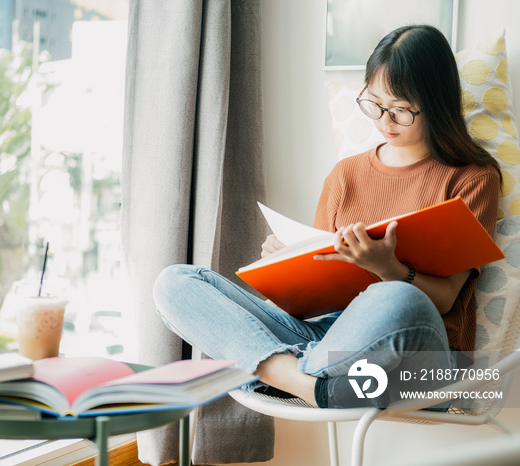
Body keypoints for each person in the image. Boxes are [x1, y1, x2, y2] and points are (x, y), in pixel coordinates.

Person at [152, 24, 501, 408]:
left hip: (416, 357)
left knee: (398, 298)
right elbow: (314, 299)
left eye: (400, 110)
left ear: (435, 103)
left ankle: (275, 371)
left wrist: (388, 269)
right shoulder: (345, 174)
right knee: (174, 282)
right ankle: (311, 384)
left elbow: (448, 299)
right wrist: (288, 268)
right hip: (321, 341)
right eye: (374, 103)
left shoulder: (472, 178)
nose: (384, 121)